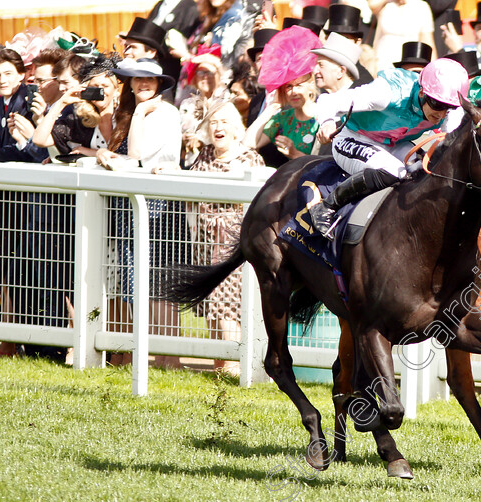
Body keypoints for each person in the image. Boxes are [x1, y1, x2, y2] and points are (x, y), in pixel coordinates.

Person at [308, 58, 470, 235]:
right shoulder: (389, 92)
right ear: (422, 92)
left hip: (393, 144)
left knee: (425, 170)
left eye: (449, 107)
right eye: (437, 104)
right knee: (396, 171)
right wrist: (327, 123)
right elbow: (328, 101)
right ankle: (326, 206)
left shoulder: (451, 110)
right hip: (353, 137)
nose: (441, 114)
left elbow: (448, 146)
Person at [100, 58, 184, 367]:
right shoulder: (125, 113)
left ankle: (168, 357)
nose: (143, 83)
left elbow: (137, 154)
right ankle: (143, 353)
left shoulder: (167, 113)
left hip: (160, 203)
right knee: (132, 277)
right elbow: (126, 156)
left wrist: (136, 114)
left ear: (160, 82)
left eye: (149, 78)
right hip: (128, 205)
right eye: (136, 78)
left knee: (159, 278)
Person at [188, 100, 264, 375]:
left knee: (227, 307)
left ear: (236, 128)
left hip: (234, 243)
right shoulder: (206, 154)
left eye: (224, 122)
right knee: (211, 304)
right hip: (204, 243)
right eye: (213, 123)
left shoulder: (249, 157)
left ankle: (233, 367)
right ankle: (219, 366)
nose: (218, 127)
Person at [244, 26, 322, 166]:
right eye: (289, 87)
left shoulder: (324, 116)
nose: (294, 92)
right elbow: (248, 143)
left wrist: (294, 154)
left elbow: (323, 164)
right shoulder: (283, 118)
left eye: (299, 85)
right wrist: (273, 106)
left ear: (311, 84)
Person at [370, 0, 437, 72]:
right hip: (382, 61)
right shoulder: (386, 4)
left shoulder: (421, 6)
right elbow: (372, 6)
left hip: (407, 64)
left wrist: (434, 70)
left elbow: (428, 42)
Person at [325, 4, 375, 87]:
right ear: (327, 39)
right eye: (335, 37)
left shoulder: (365, 82)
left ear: (357, 42)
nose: (340, 42)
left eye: (345, 38)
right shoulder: (319, 72)